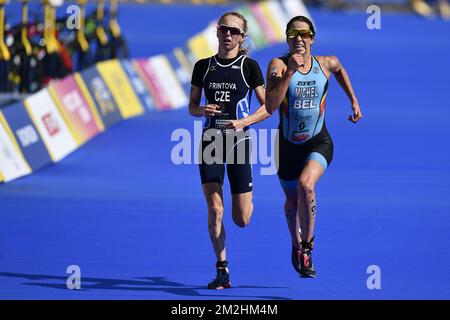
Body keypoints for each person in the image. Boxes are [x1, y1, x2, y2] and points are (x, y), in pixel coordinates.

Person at [265, 16, 362, 278]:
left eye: (304, 34)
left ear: (312, 38)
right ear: (287, 38)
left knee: (306, 186)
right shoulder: (278, 65)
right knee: (291, 203)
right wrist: (290, 74)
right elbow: (271, 105)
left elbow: (340, 68)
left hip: (318, 141)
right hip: (286, 146)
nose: (299, 39)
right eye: (293, 34)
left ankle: (307, 247)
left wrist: (353, 100)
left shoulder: (325, 63)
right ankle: (295, 245)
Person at [188, 11, 269, 289]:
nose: (228, 35)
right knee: (215, 208)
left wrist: (244, 122)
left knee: (241, 219)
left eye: (234, 31)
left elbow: (268, 106)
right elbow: (192, 107)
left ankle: (248, 195)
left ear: (242, 37)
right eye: (223, 29)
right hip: (211, 141)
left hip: (238, 142)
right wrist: (202, 110)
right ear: (217, 32)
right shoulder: (203, 67)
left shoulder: (250, 67)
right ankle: (222, 269)